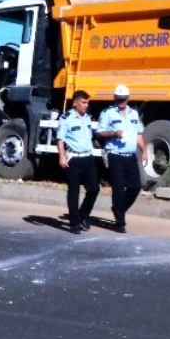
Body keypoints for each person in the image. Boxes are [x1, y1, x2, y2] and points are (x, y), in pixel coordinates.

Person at [96, 84, 147, 234]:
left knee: (135, 187)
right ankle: (120, 222)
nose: (121, 102)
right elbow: (99, 133)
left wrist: (144, 151)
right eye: (118, 99)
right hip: (114, 154)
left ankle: (118, 208)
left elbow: (138, 134)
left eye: (123, 100)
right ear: (114, 98)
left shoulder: (134, 114)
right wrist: (114, 133)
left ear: (128, 99)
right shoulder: (108, 113)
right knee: (118, 188)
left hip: (130, 155)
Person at [57, 90, 98, 234]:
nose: (86, 105)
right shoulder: (66, 118)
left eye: (87, 102)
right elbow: (60, 139)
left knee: (94, 189)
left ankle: (83, 215)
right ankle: (75, 222)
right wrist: (62, 156)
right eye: (83, 102)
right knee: (74, 191)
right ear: (75, 103)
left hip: (87, 158)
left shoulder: (87, 118)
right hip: (73, 159)